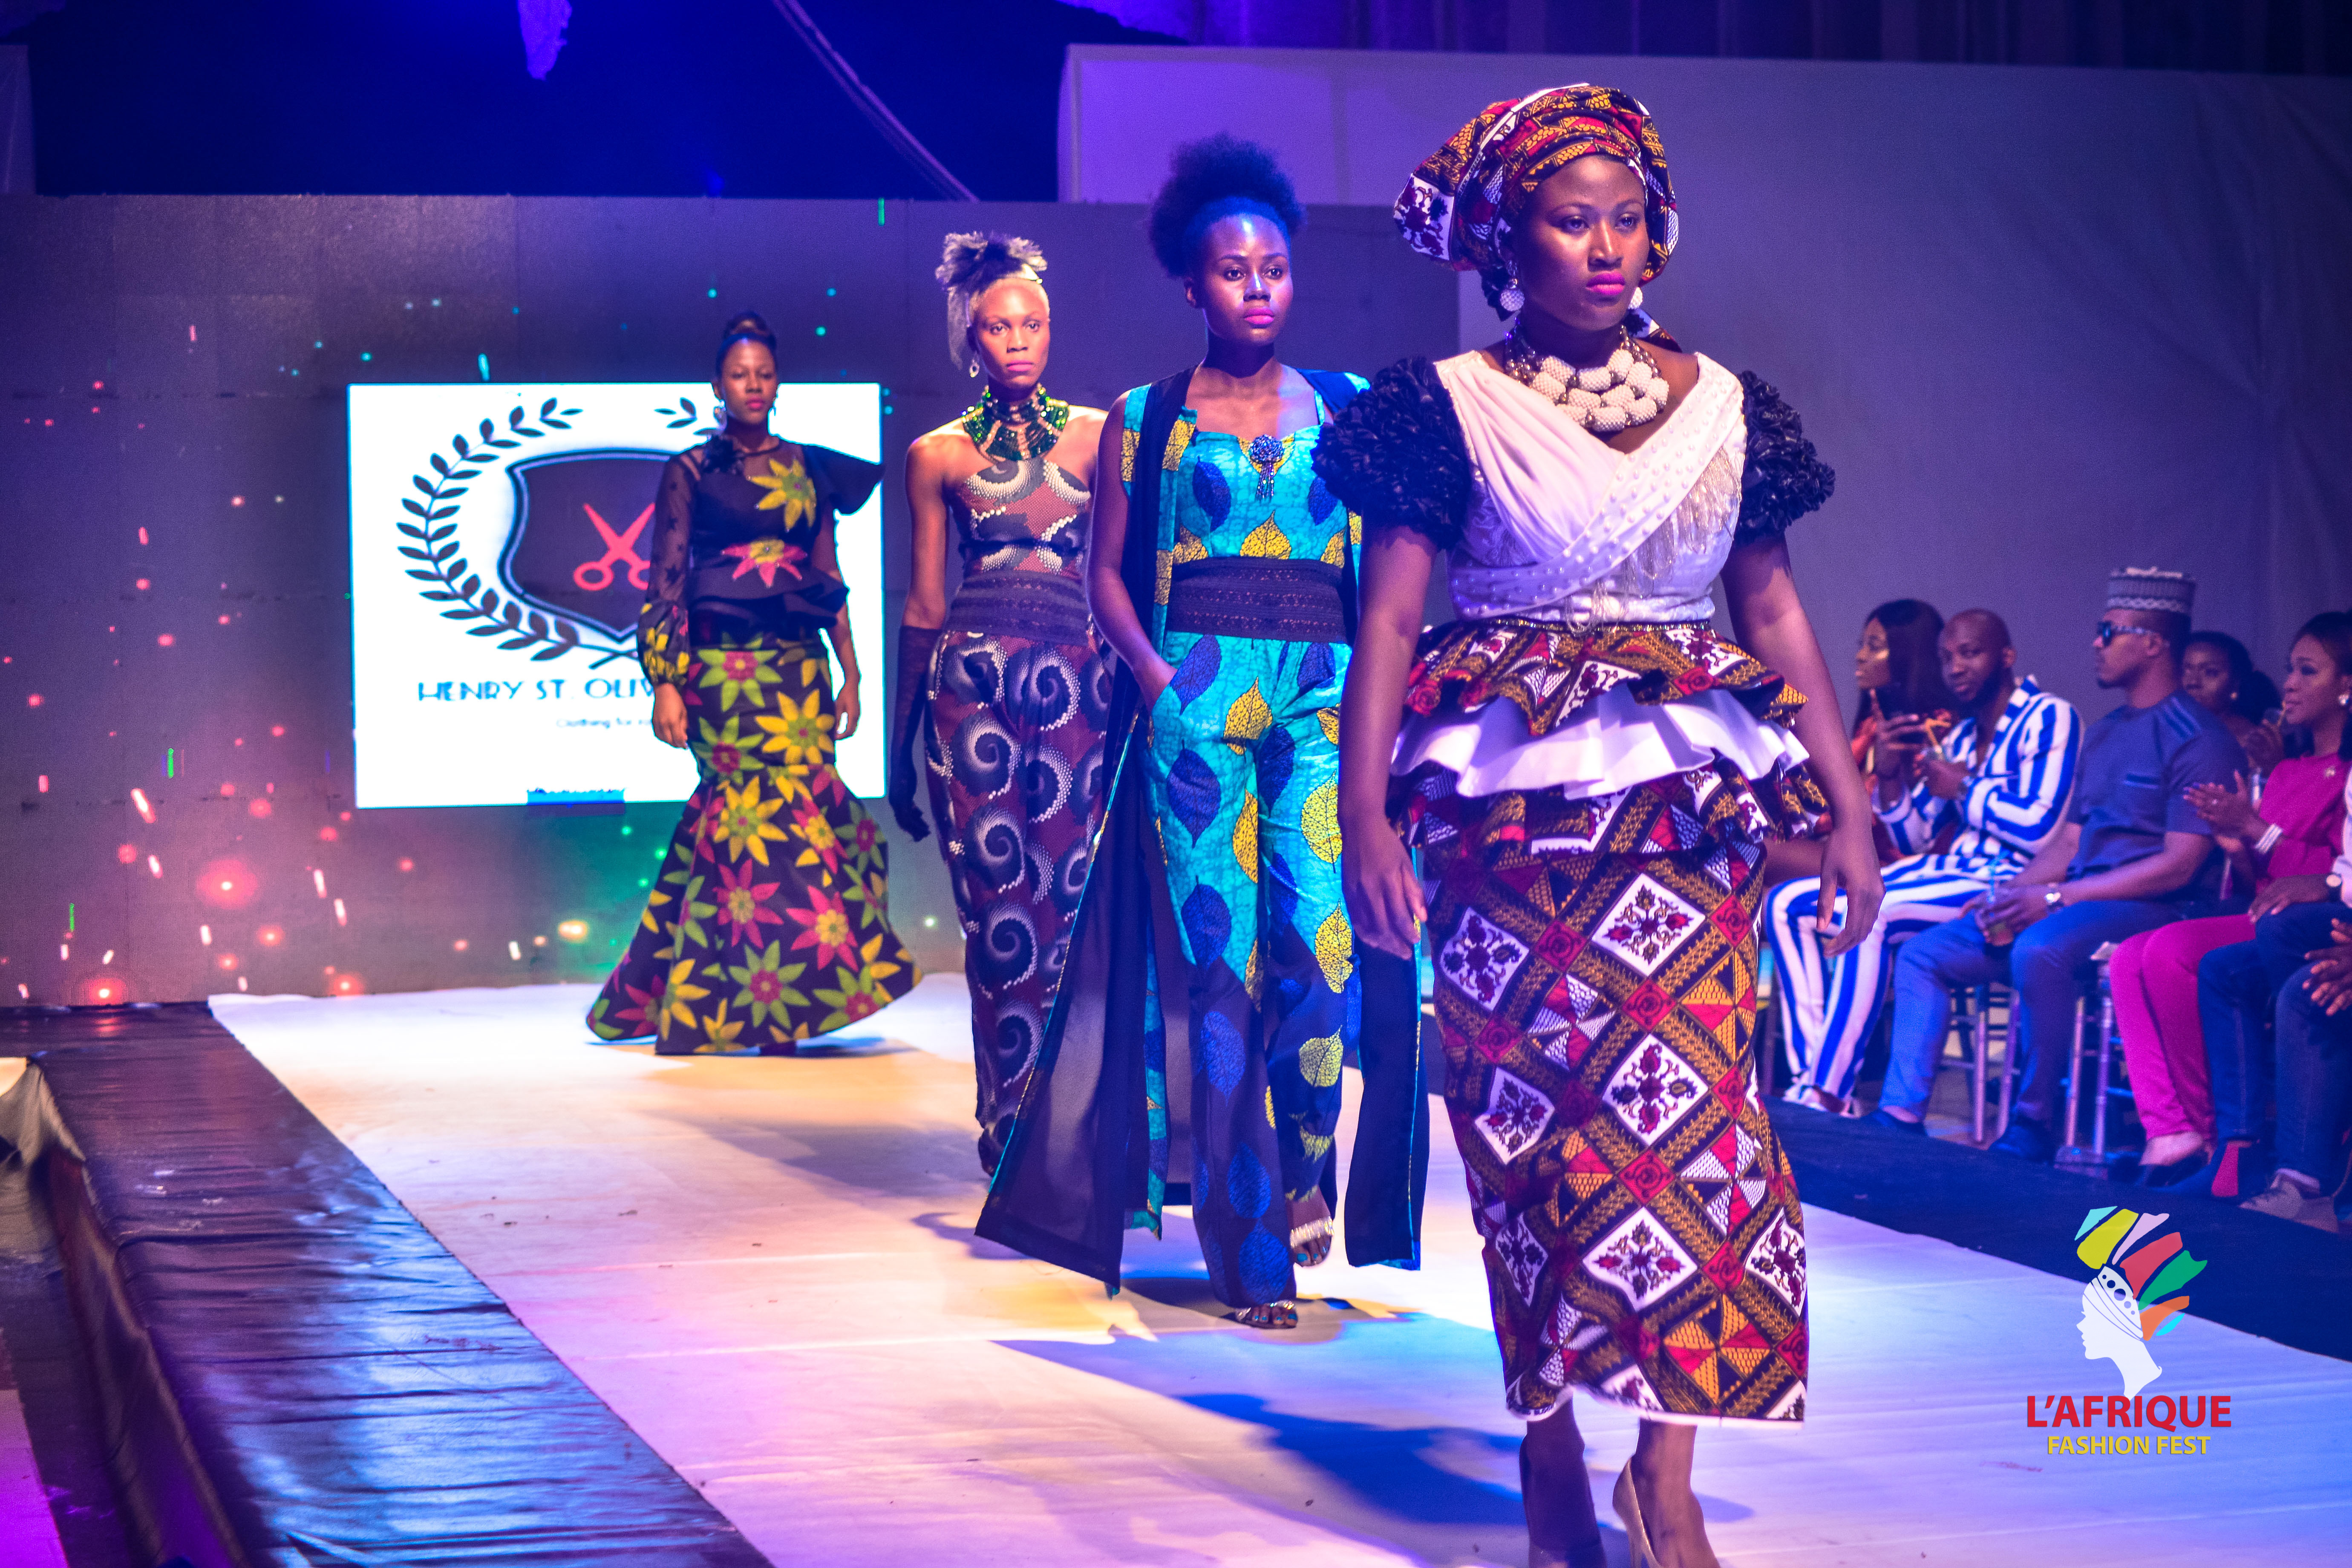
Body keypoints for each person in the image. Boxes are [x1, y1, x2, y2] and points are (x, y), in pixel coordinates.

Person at [1320, 85, 1874, 1568]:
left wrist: (1849, 801)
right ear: (1508, 242)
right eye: (1574, 221)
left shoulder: (1729, 408)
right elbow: (1389, 622)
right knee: (1533, 1139)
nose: (1610, 246)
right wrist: (1363, 812)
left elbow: (1771, 607)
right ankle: (1551, 1432)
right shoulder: (1442, 406)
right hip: (1507, 826)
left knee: (1703, 1134)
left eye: (1629, 218)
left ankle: (1665, 1476)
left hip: (1686, 811)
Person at [979, 136, 1427, 1335]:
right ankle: (1248, 1248)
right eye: (1234, 271)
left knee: (1322, 955)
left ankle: (1305, 1167)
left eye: (1274, 267)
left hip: (1322, 698)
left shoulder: (1348, 408)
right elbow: (1106, 573)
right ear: (1193, 283)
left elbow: (1389, 569)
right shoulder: (1145, 416)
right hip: (1196, 704)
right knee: (1221, 980)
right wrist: (1151, 668)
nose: (1258, 287)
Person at [588, 311, 917, 1052]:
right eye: (739, 375)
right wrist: (664, 681)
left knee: (805, 819)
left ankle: (780, 1002)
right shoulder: (692, 471)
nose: (753, 386)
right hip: (723, 674)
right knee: (747, 829)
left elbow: (828, 575)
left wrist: (852, 673)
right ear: (717, 386)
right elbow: (666, 580)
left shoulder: (809, 468)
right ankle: (753, 1006)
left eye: (764, 374)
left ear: (778, 383)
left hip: (798, 670)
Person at [1881, 569, 2243, 1161]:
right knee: (1927, 952)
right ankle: (1900, 1115)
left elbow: (2180, 866)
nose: (2096, 642)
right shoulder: (2104, 734)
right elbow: (2069, 843)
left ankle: (2033, 1119)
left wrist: (2055, 899)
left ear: (2154, 644)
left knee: (2040, 947)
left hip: (2153, 908)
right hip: (2077, 902)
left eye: (2110, 631)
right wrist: (2012, 891)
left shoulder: (2198, 738)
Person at [890, 233, 1112, 1171]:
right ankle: (1009, 1123)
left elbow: (1118, 575)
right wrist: (901, 740)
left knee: (1068, 900)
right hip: (969, 690)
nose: (1018, 341)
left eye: (1032, 325)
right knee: (994, 907)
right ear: (969, 340)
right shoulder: (936, 454)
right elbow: (924, 602)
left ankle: (1073, 1119)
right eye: (997, 328)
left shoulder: (1103, 436)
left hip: (1079, 685)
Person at [1772, 609, 2081, 1121]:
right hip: (1942, 871)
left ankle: (1826, 1091)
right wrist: (1892, 776)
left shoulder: (2050, 716)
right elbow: (1911, 838)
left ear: (2006, 656)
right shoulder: (1959, 739)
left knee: (1871, 914)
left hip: (2007, 881)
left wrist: (1965, 787)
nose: (1955, 667)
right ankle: (1814, 1080)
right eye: (1946, 657)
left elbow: (2040, 829)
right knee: (1786, 903)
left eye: (1970, 653)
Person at [2113, 612, 2350, 1182]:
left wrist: (2254, 829)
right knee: (2128, 956)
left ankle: (2221, 1139)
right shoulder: (2288, 770)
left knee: (2171, 953)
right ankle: (2172, 1131)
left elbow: (2330, 877)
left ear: (2346, 685)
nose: (2289, 683)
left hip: (2307, 922)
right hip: (2267, 913)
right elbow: (2268, 879)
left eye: (2308, 671)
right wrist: (2238, 843)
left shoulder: (2344, 772)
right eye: (2290, 669)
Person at [2182, 629, 2283, 769]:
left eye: (2210, 672)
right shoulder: (2169, 727)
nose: (2193, 682)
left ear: (2236, 683)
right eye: (2184, 671)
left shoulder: (2249, 743)